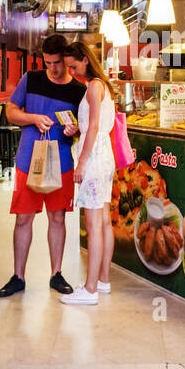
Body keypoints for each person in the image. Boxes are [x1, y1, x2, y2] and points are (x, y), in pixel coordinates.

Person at [0, 34, 85, 297]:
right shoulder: (31, 79)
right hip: (27, 161)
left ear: (66, 60)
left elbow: (83, 128)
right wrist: (33, 118)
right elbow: (11, 111)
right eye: (47, 63)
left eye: (57, 63)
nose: (53, 69)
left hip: (62, 163)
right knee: (23, 218)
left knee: (57, 218)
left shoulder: (78, 91)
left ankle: (56, 274)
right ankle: (18, 276)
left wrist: (74, 130)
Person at [59, 40, 118, 305]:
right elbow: (93, 126)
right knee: (103, 221)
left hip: (93, 159)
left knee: (93, 225)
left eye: (73, 65)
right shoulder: (101, 86)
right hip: (104, 156)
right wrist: (77, 129)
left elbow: (93, 127)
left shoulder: (93, 87)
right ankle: (103, 280)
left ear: (85, 59)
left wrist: (81, 162)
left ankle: (90, 289)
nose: (71, 71)